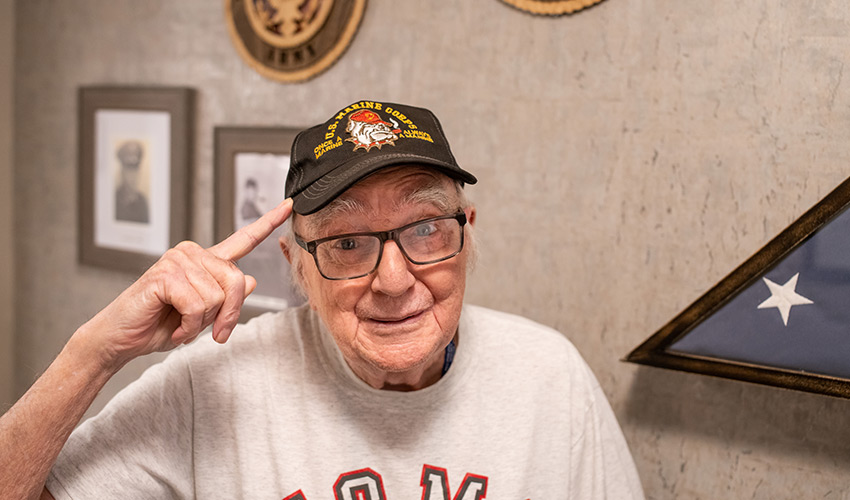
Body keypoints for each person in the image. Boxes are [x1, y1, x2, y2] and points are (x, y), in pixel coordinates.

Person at [0, 100, 644, 499]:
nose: (394, 280)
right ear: (295, 269)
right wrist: (94, 351)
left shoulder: (549, 377)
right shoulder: (210, 386)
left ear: (466, 237)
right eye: (346, 244)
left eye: (425, 229)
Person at [113, 140, 150, 224]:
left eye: (135, 170)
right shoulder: (114, 199)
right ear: (122, 172)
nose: (133, 177)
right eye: (129, 170)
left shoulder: (143, 202)